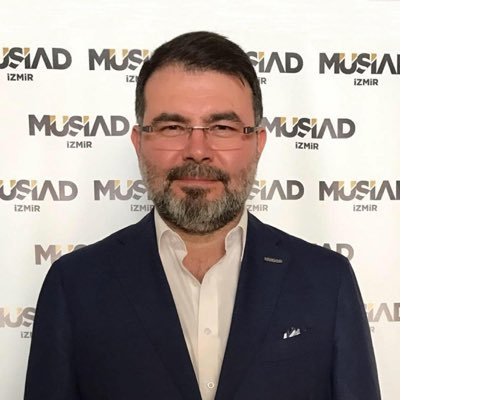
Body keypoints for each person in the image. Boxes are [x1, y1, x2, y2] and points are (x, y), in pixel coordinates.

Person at [24, 31, 381, 400]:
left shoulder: (327, 281)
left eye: (222, 128)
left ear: (257, 143)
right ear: (139, 141)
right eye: (172, 127)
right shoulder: (74, 286)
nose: (197, 150)